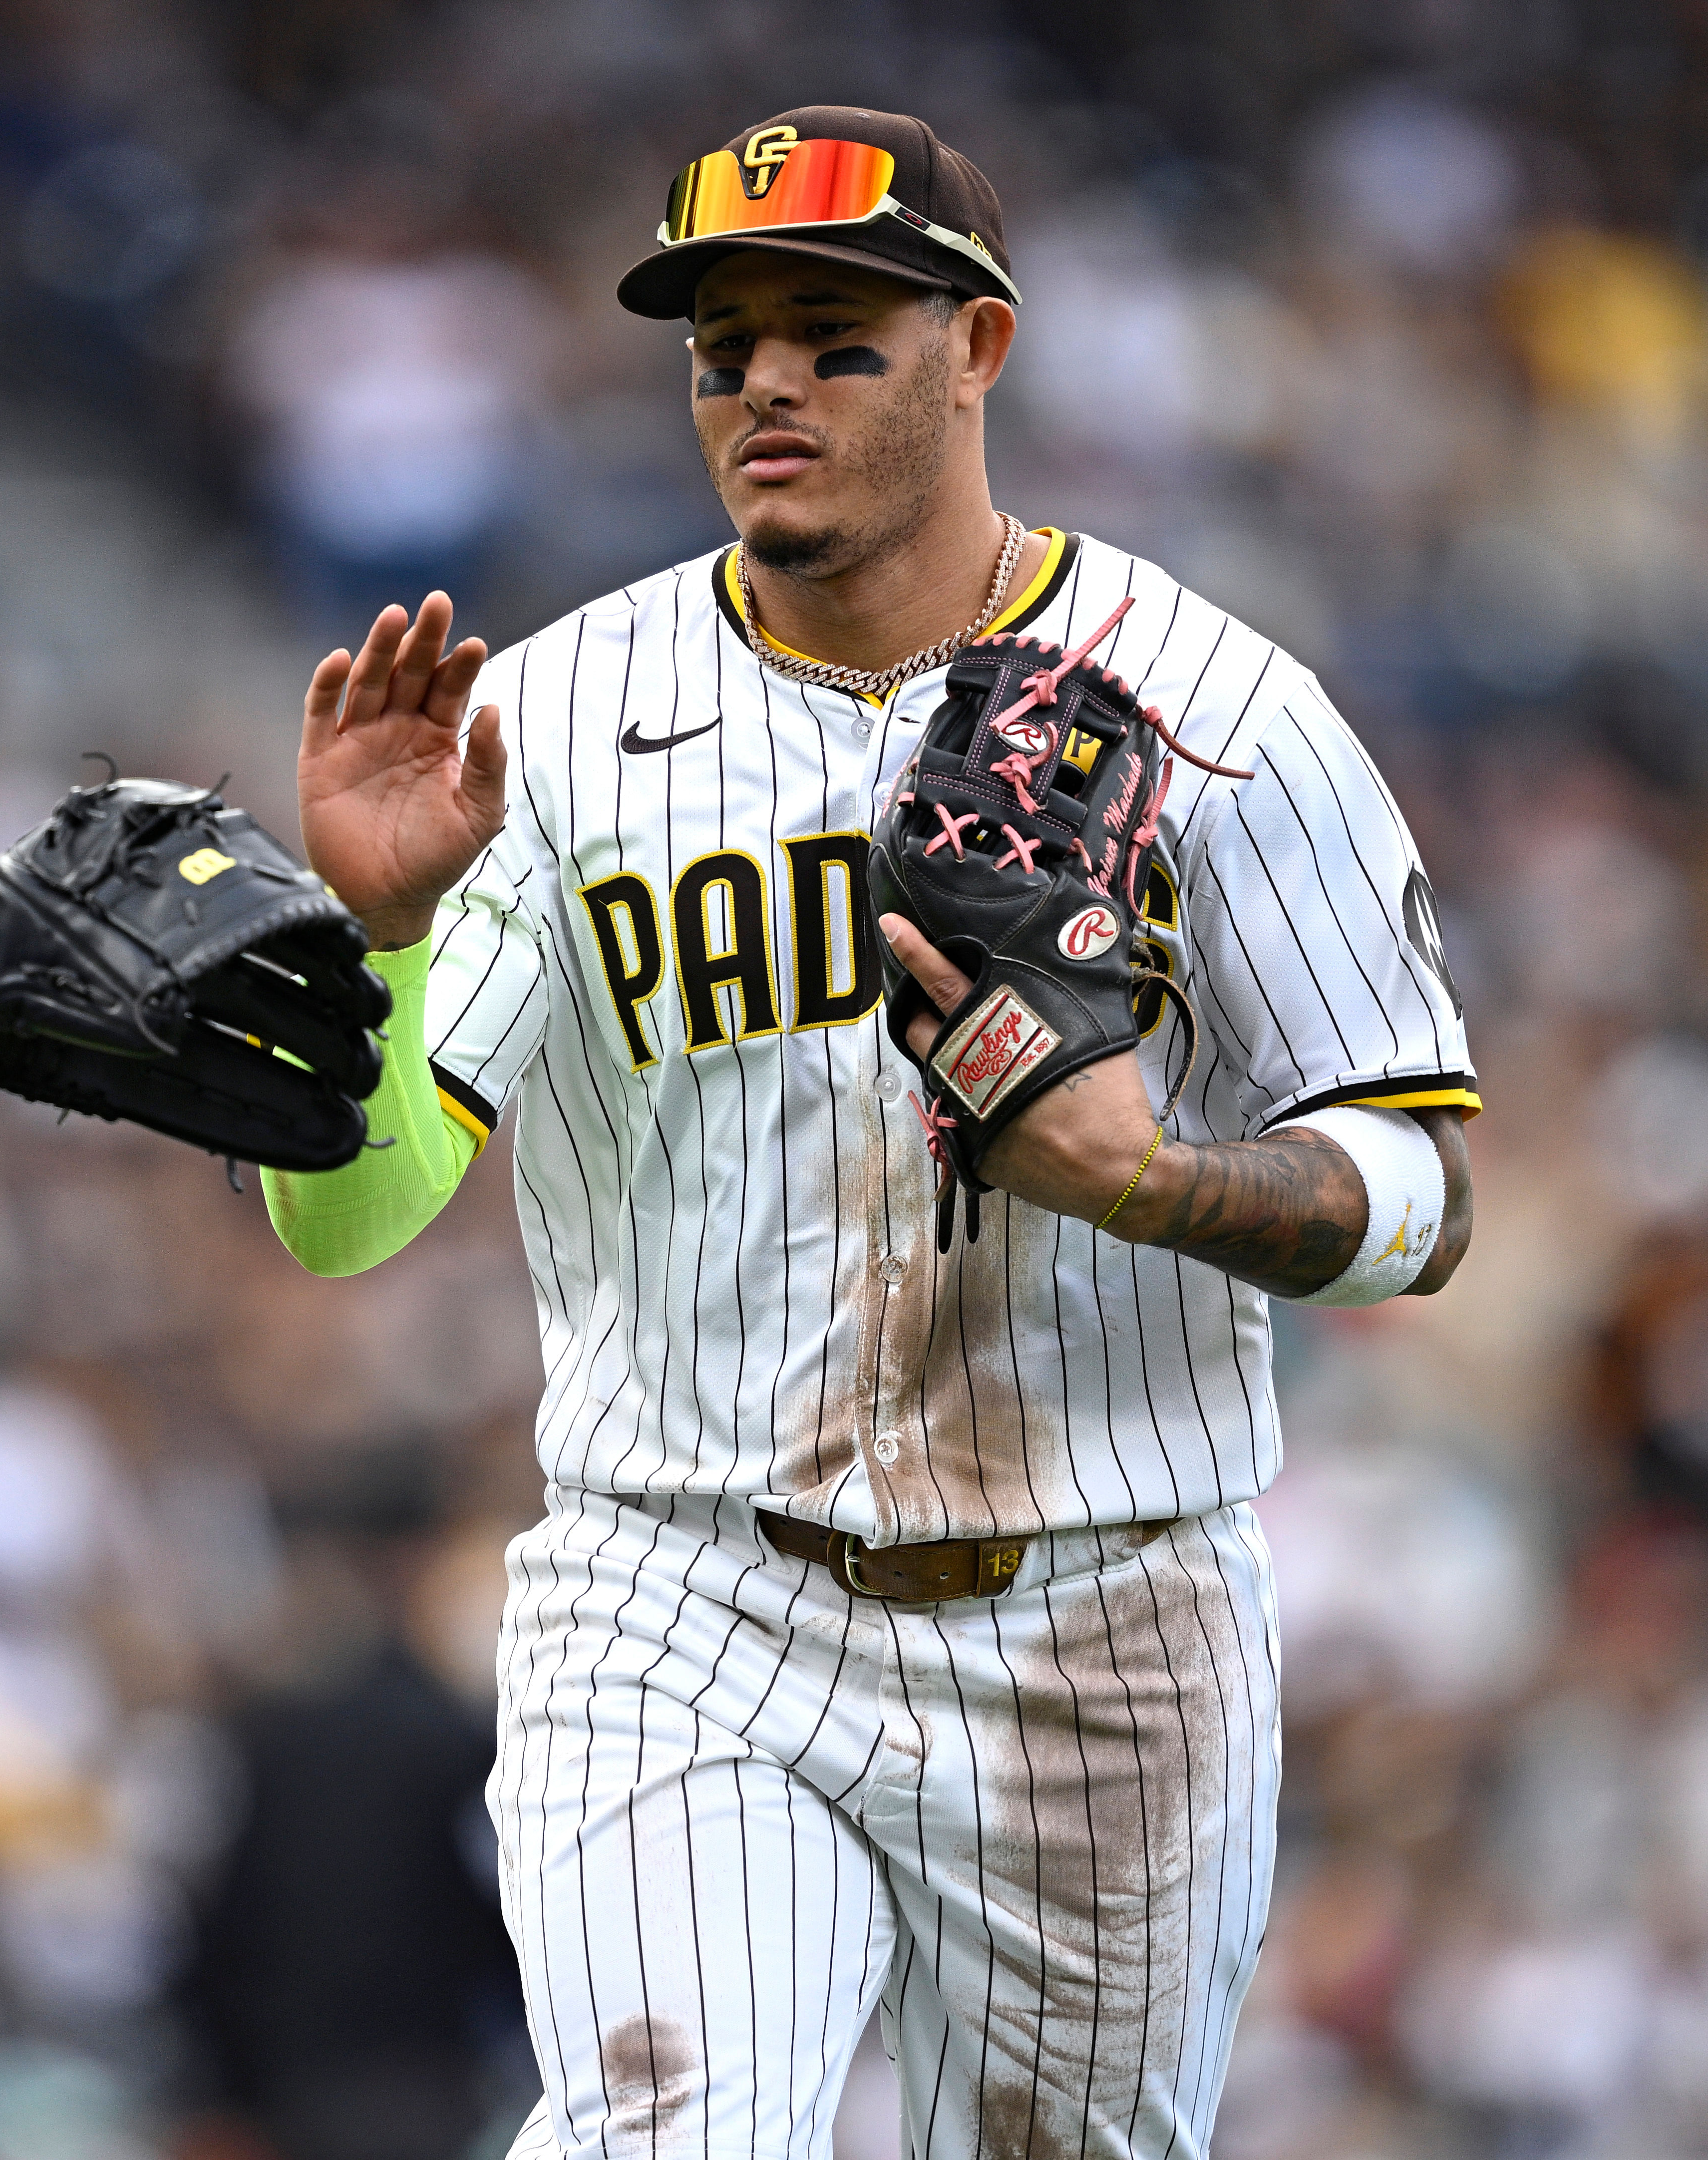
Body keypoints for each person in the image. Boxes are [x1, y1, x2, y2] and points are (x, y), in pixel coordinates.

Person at [265, 106, 1478, 2158]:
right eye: (721, 344)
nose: (763, 385)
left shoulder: (1217, 708)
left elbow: (1428, 1189)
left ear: (977, 348)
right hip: (683, 1590)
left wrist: (1162, 1180)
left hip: (1112, 1605)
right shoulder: (545, 728)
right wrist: (373, 943)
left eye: (832, 334)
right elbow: (351, 1220)